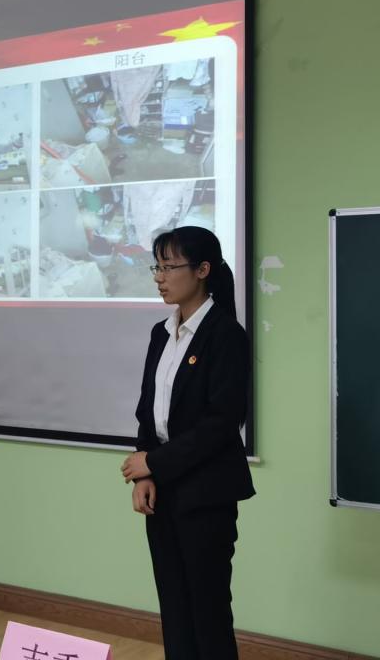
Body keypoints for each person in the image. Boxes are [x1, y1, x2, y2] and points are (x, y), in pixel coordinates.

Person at [120, 226, 255, 660]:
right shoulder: (162, 333)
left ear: (202, 270)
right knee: (174, 609)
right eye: (156, 267)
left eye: (169, 267)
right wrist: (145, 474)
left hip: (206, 494)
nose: (159, 277)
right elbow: (149, 410)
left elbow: (222, 423)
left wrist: (154, 463)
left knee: (207, 613)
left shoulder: (225, 335)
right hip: (163, 492)